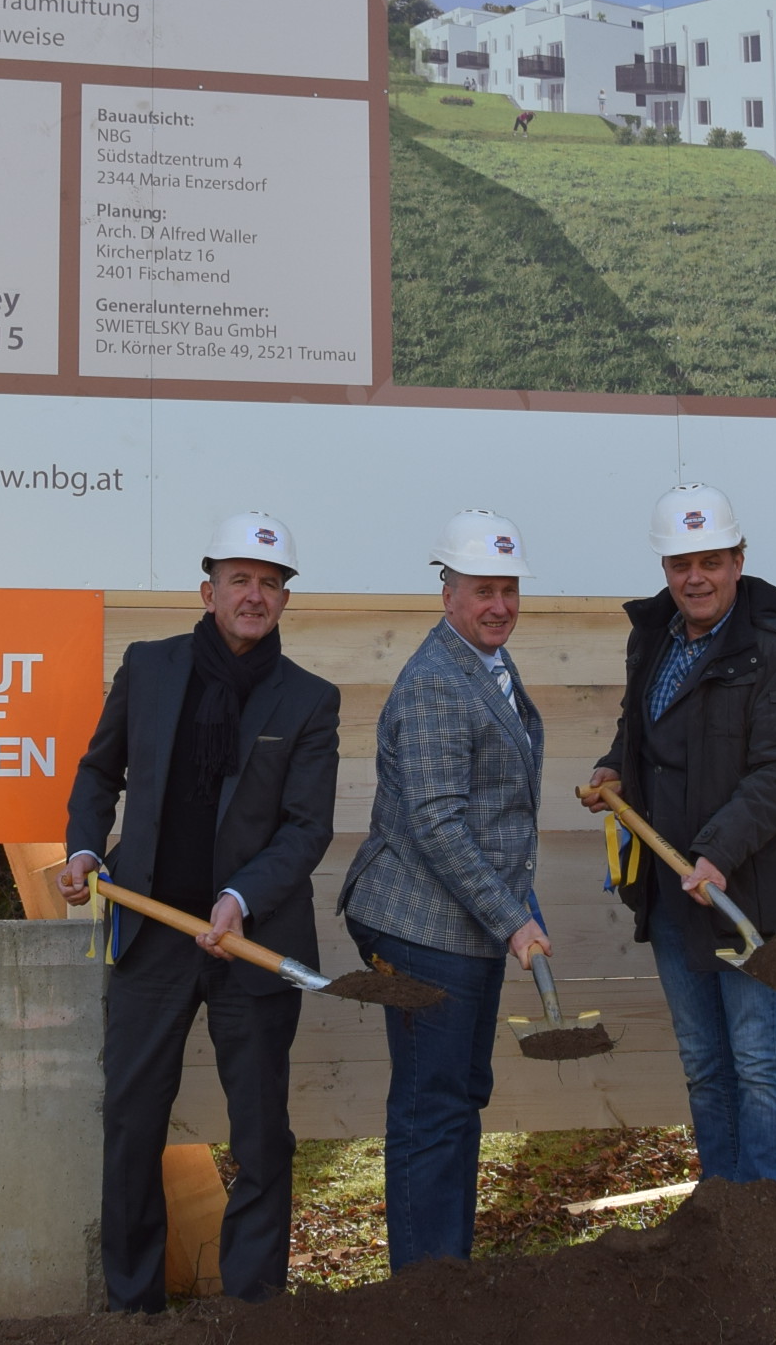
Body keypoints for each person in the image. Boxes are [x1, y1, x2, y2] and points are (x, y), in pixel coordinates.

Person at [59, 514, 341, 1312]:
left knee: (259, 1133)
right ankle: (134, 1305)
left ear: (285, 599)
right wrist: (84, 849)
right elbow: (97, 771)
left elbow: (306, 827)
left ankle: (253, 1306)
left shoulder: (311, 700)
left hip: (251, 940)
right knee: (132, 1120)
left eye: (271, 584)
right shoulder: (148, 669)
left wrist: (239, 898)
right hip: (150, 933)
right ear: (207, 589)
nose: (256, 596)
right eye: (241, 580)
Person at [578, 485, 776, 1187]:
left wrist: (717, 851)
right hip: (671, 891)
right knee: (706, 1065)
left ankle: (769, 1219)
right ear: (665, 567)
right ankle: (723, 1211)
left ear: (739, 561)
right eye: (681, 563)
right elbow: (642, 725)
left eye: (711, 560)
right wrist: (613, 766)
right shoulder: (653, 638)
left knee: (758, 1064)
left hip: (749, 890)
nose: (695, 577)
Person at [337, 510, 550, 1268]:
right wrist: (511, 916)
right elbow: (436, 823)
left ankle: (446, 1276)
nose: (499, 605)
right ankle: (424, 1292)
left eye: (509, 590)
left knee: (458, 1099)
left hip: (465, 922)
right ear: (448, 592)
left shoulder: (487, 664)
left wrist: (517, 898)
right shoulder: (434, 682)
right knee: (432, 1109)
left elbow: (493, 813)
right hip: (423, 925)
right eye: (483, 590)